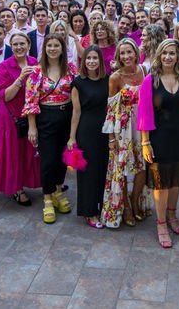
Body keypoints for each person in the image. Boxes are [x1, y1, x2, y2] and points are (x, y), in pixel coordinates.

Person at [138, 39, 179, 248]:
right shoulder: (150, 80)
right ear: (159, 55)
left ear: (178, 56)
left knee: (176, 178)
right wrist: (145, 142)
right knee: (161, 182)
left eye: (172, 53)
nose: (168, 57)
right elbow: (144, 112)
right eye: (165, 53)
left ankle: (172, 214)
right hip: (158, 139)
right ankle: (160, 223)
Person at [102, 38, 149, 228]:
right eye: (122, 53)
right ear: (118, 56)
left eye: (129, 52)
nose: (126, 56)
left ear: (136, 53)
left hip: (143, 124)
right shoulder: (115, 78)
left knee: (142, 167)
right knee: (122, 169)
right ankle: (126, 207)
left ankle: (135, 199)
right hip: (123, 128)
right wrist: (111, 138)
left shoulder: (144, 71)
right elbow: (111, 110)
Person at [0, 31, 40, 205]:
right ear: (11, 47)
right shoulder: (4, 66)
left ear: (28, 45)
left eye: (22, 44)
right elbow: (6, 96)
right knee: (12, 152)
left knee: (29, 151)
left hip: (29, 114)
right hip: (10, 116)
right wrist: (20, 78)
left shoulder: (34, 62)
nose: (19, 47)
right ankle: (16, 188)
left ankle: (29, 181)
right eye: (15, 44)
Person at [66, 46, 109, 228]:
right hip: (86, 130)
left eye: (95, 58)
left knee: (104, 169)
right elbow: (76, 112)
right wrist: (72, 137)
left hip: (106, 130)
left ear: (100, 60)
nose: (91, 61)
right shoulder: (78, 82)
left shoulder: (108, 79)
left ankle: (102, 207)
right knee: (88, 172)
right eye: (88, 58)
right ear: (83, 61)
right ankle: (89, 211)